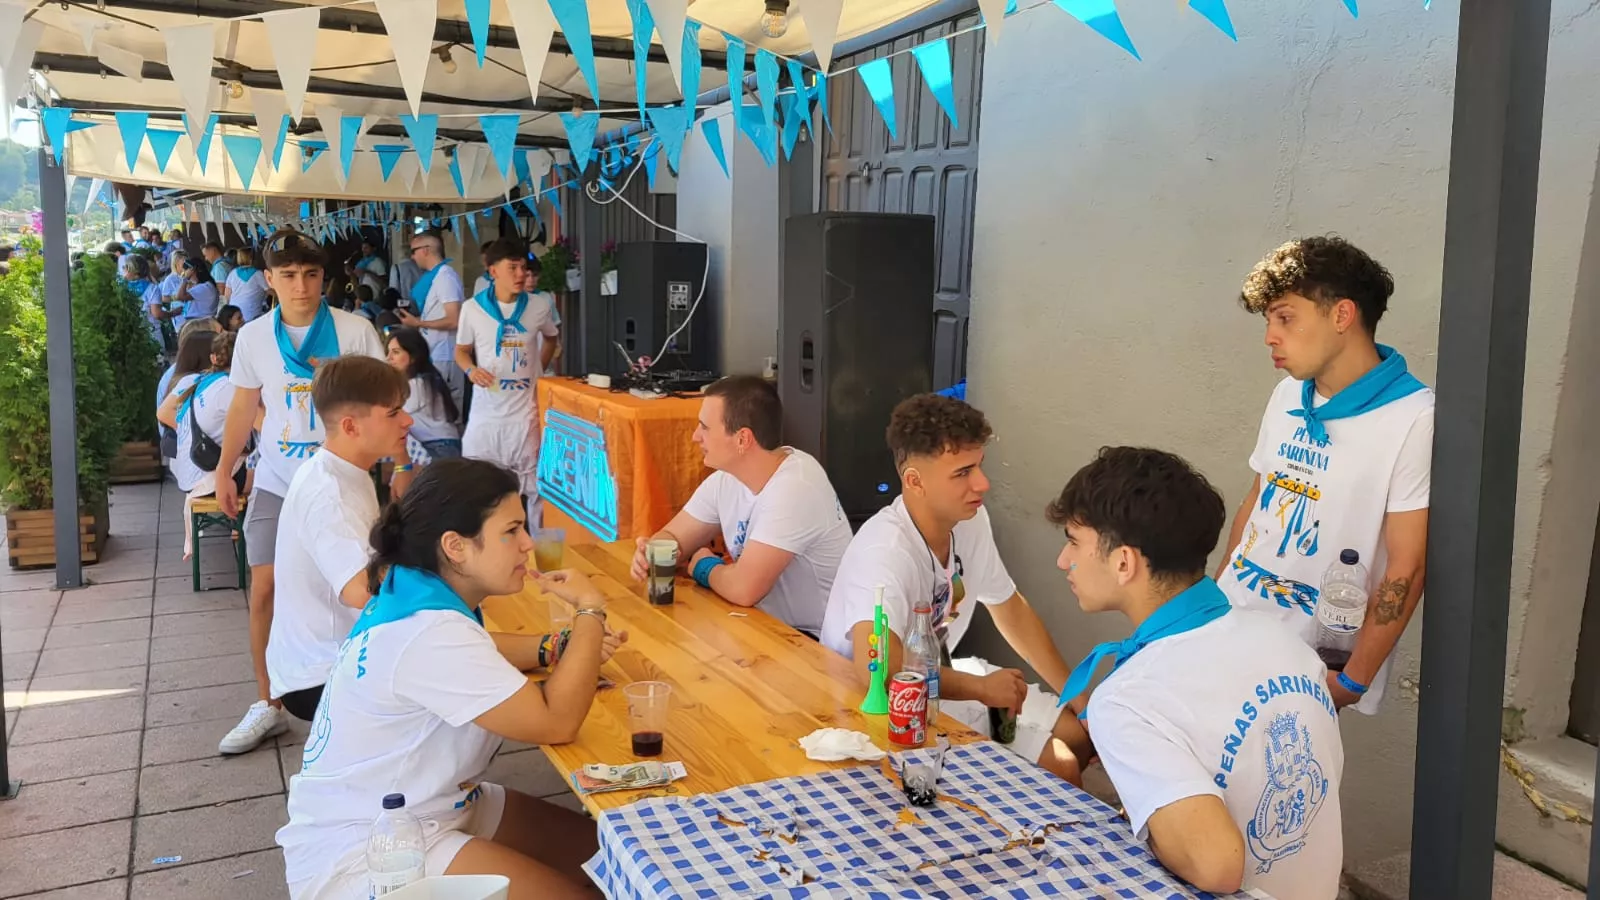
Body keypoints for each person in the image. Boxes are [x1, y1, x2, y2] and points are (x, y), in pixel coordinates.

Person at [277, 458, 623, 900]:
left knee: (611, 858)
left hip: (424, 803)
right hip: (373, 845)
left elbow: (477, 650)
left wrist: (554, 647)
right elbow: (556, 720)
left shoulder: (413, 591)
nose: (527, 544)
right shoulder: (430, 632)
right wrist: (590, 609)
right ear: (455, 546)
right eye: (512, 530)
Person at [1051, 446, 1344, 898]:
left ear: (1124, 562)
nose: (1062, 560)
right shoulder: (1286, 643)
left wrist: (1154, 825)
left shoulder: (1128, 699)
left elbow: (1217, 868)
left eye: (1073, 542)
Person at [819, 394, 1090, 783]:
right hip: (879, 709)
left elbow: (1009, 606)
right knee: (1060, 764)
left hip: (944, 681)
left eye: (980, 465)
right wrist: (980, 688)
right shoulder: (884, 552)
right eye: (962, 472)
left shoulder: (970, 520)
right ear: (914, 481)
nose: (983, 483)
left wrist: (1077, 695)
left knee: (1079, 734)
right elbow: (879, 670)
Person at [1216, 236, 1433, 715]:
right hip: (1231, 623)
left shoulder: (1414, 417)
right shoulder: (1287, 394)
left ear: (1342, 315)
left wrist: (1355, 679)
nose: (1270, 336)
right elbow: (1258, 500)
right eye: (1268, 321)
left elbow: (1408, 563)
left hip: (1307, 658)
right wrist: (1213, 604)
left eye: (1285, 318)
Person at [213, 229, 389, 756]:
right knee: (264, 589)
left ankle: (358, 689)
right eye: (288, 276)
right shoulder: (253, 337)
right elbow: (244, 405)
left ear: (324, 278)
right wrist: (225, 469)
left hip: (341, 483)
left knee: (354, 589)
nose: (301, 286)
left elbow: (384, 403)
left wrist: (397, 467)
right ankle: (268, 702)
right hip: (277, 481)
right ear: (268, 280)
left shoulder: (355, 330)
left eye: (311, 275)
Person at [628, 376, 852, 636]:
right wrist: (651, 554)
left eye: (705, 427)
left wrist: (704, 566)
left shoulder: (796, 487)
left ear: (743, 439)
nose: (695, 436)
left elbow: (743, 589)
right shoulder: (727, 479)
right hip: (764, 627)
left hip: (813, 642)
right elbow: (673, 537)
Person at [267, 356, 415, 722]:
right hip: (322, 670)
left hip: (341, 650)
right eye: (393, 412)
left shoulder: (347, 469)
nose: (407, 421)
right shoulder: (327, 492)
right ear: (350, 426)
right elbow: (362, 591)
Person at [454, 238, 559, 523]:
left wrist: (539, 369)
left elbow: (551, 338)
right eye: (512, 268)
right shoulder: (472, 309)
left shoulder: (539, 305)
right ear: (493, 271)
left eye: (523, 268)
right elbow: (461, 351)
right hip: (486, 414)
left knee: (536, 489)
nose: (521, 274)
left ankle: (539, 544)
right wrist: (471, 371)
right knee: (477, 485)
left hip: (525, 414)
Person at [157, 330, 248, 559]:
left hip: (185, 469)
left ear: (213, 358)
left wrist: (192, 432)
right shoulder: (231, 387)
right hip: (207, 475)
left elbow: (163, 413)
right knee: (269, 478)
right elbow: (260, 426)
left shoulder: (190, 380)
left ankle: (242, 528)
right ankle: (248, 532)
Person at [397, 230, 465, 408]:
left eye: (414, 251)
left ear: (426, 250)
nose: (412, 257)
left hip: (445, 355)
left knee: (446, 408)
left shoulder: (446, 277)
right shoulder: (437, 277)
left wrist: (418, 323)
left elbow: (454, 319)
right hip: (435, 352)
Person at [388, 326, 462, 463]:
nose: (389, 358)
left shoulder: (417, 384)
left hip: (438, 446)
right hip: (438, 445)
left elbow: (391, 414)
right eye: (388, 352)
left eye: (396, 352)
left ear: (413, 357)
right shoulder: (426, 379)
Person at [224, 248, 270, 322]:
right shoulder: (258, 274)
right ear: (252, 259)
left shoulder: (232, 273)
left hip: (235, 316)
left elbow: (227, 296)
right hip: (253, 316)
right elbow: (270, 291)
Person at [177, 258, 221, 326]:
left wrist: (185, 279)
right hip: (200, 322)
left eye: (187, 272)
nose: (185, 274)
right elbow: (183, 300)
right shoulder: (206, 286)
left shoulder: (205, 287)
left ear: (193, 271)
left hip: (199, 323)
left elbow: (180, 296)